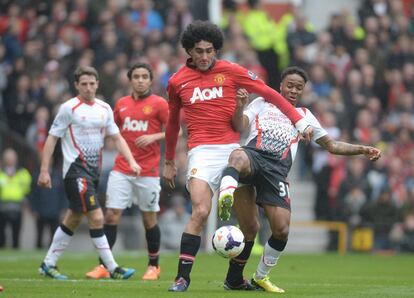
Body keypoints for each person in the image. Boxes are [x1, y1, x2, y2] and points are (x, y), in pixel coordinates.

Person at [163, 20, 313, 292]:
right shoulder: (176, 82)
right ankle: (182, 278)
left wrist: (299, 122)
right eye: (199, 51)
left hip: (234, 153)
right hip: (201, 153)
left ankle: (233, 279)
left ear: (216, 50)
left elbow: (269, 94)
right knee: (200, 211)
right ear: (189, 51)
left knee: (251, 226)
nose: (206, 56)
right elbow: (173, 123)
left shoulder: (231, 71)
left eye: (210, 50)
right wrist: (170, 161)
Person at [218, 66, 382, 292]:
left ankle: (259, 277)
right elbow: (239, 126)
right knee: (237, 158)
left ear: (303, 91)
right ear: (280, 86)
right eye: (290, 85)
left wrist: (361, 149)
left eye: (299, 87)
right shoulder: (261, 103)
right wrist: (239, 106)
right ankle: (226, 196)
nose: (294, 90)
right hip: (253, 157)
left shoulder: (304, 116)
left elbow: (332, 145)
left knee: (282, 230)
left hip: (276, 171)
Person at [37, 66, 141, 280]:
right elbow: (52, 138)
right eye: (83, 84)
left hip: (93, 172)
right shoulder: (68, 108)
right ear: (76, 85)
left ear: (97, 84)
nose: (88, 88)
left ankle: (48, 264)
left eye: (92, 83)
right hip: (75, 171)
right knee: (96, 215)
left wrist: (131, 160)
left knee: (73, 218)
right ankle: (112, 268)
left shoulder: (104, 108)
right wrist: (44, 170)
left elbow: (117, 137)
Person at [85, 63, 169, 281]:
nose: (140, 80)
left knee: (149, 218)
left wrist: (154, 137)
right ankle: (104, 265)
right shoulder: (121, 104)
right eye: (136, 77)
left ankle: (153, 267)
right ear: (130, 80)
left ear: (151, 80)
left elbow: (174, 131)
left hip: (148, 171)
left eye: (144, 77)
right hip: (122, 168)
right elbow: (111, 129)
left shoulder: (159, 104)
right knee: (112, 215)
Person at [0, 148, 31, 249]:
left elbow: (27, 188)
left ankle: (15, 247)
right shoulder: (1, 173)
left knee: (16, 232)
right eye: (8, 158)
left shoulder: (22, 173)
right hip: (2, 206)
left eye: (12, 158)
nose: (10, 160)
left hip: (17, 207)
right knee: (1, 233)